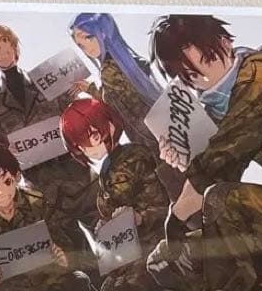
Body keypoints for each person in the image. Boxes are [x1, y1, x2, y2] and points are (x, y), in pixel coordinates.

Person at [148, 14, 262, 291]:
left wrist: (176, 218)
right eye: (191, 76)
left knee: (222, 200)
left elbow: (216, 166)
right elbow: (210, 164)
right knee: (162, 260)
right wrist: (184, 159)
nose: (203, 81)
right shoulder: (222, 100)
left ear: (225, 42)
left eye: (205, 62)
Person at [0, 23, 99, 271]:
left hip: (79, 176)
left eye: (3, 41)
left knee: (111, 236)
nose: (0, 50)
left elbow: (79, 106)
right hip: (45, 193)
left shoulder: (47, 78)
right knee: (77, 259)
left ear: (14, 44)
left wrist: (84, 87)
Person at [61, 97, 170, 291]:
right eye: (79, 145)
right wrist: (106, 226)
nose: (86, 148)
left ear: (109, 126)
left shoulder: (134, 157)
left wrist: (139, 217)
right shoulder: (106, 170)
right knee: (108, 289)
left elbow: (163, 204)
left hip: (155, 242)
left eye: (92, 137)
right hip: (126, 251)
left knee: (124, 289)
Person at [0, 136, 93, 291]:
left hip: (50, 279)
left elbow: (62, 237)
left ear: (16, 176)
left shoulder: (36, 202)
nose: (0, 192)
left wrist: (63, 256)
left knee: (80, 281)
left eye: (6, 182)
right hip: (12, 290)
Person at [69, 12, 183, 195]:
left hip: (154, 145)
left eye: (88, 37)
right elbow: (125, 97)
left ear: (103, 33)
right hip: (172, 132)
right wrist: (92, 89)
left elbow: (115, 109)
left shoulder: (108, 70)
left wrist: (91, 94)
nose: (85, 47)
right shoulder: (132, 61)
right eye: (80, 44)